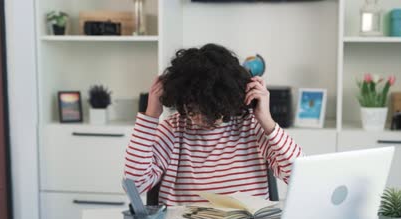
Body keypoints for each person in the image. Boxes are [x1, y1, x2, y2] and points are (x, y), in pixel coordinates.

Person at [124, 43, 304, 206]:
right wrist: (150, 117)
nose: (200, 119)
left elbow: (298, 175)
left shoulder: (252, 126)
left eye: (212, 111)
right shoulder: (172, 130)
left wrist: (266, 120)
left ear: (228, 101)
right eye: (192, 110)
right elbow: (134, 185)